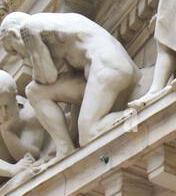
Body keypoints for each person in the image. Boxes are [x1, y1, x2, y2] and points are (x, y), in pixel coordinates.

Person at [0, 12, 138, 158]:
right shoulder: (53, 26)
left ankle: (135, 117)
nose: (21, 57)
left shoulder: (29, 28)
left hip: (108, 68)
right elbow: (72, 97)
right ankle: (65, 148)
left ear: (14, 34)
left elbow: (46, 76)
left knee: (88, 134)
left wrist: (32, 57)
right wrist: (72, 133)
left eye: (14, 50)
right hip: (105, 70)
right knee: (34, 91)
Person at [0, 69, 48, 186]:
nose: (4, 114)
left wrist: (7, 131)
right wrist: (11, 169)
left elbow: (30, 156)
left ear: (14, 97)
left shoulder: (29, 112)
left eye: (6, 106)